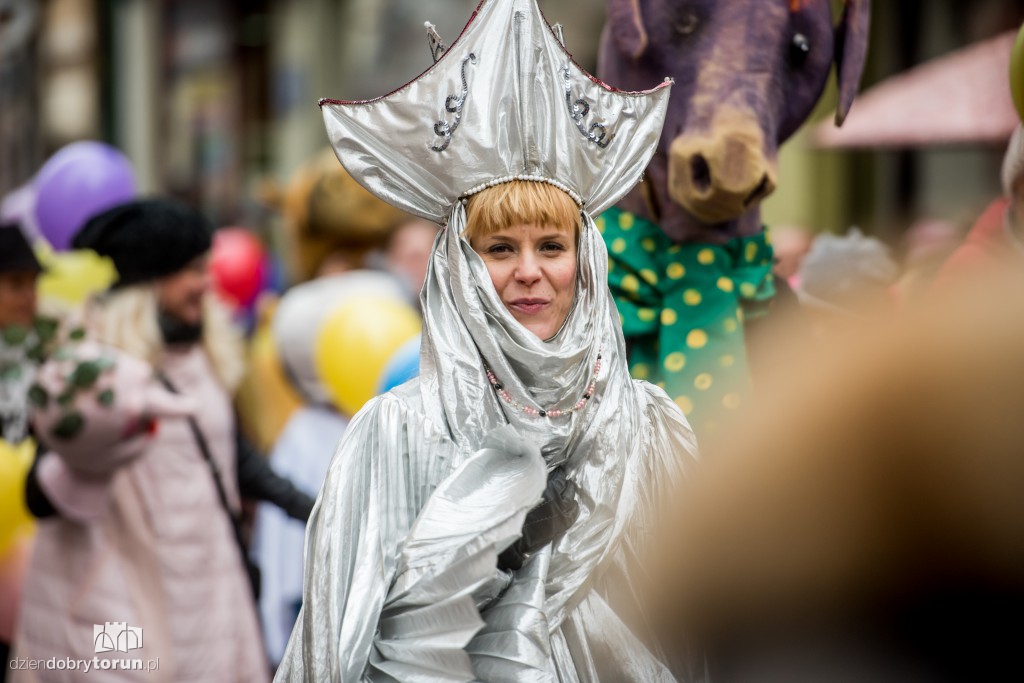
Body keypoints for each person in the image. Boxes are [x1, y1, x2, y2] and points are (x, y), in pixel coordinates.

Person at [276, 0, 697, 679]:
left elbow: (699, 635)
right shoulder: (394, 438)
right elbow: (334, 649)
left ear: (585, 259)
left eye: (551, 245)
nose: (529, 271)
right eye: (500, 246)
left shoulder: (648, 430)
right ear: (460, 267)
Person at [12, 199, 313, 683]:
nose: (206, 283)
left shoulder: (201, 352)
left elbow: (231, 457)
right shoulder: (87, 370)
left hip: (210, 595)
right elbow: (39, 497)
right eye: (192, 270)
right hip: (117, 601)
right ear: (148, 281)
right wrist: (88, 442)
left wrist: (317, 510)